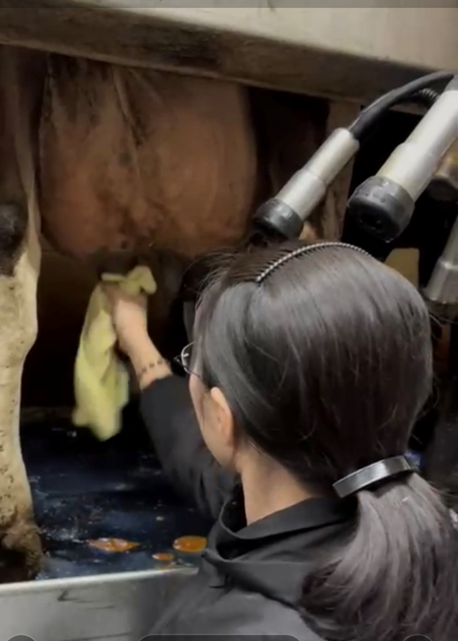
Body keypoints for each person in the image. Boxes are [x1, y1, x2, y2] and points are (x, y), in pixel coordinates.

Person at [104, 240, 458, 641]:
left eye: (193, 360)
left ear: (222, 418)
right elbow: (199, 459)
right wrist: (138, 346)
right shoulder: (427, 547)